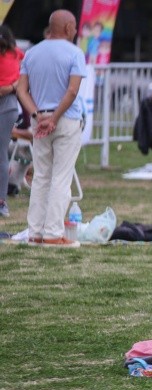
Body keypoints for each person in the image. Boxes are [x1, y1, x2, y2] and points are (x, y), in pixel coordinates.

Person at [15, 9, 87, 248]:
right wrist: (55, 116)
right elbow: (73, 90)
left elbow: (21, 90)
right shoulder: (75, 53)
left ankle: (35, 232)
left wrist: (38, 115)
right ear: (68, 28)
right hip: (65, 119)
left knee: (41, 176)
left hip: (40, 120)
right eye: (74, 27)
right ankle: (54, 233)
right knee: (61, 177)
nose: (75, 31)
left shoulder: (31, 53)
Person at [0, 24, 24, 217]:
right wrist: (14, 85)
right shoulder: (16, 53)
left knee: (1, 154)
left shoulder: (16, 54)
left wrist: (12, 87)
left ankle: (1, 201)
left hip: (7, 105)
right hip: (9, 106)